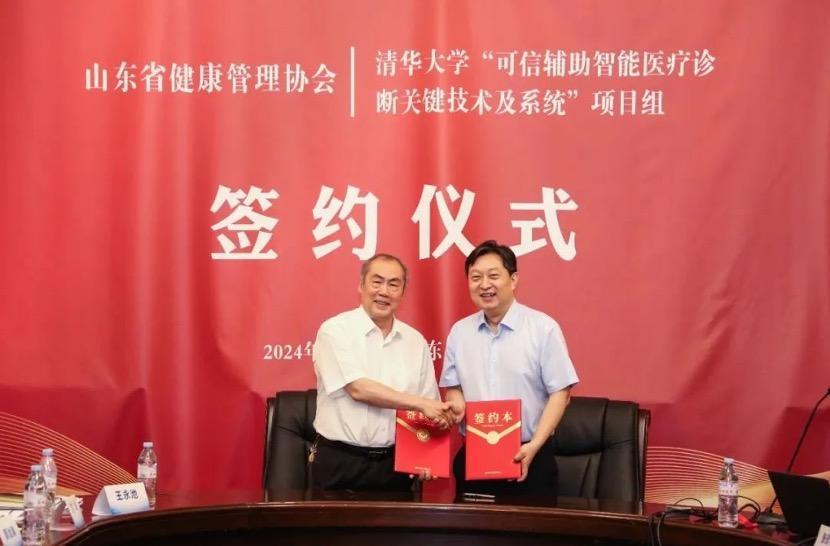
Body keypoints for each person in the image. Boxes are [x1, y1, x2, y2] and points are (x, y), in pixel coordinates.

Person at [440, 240, 579, 497]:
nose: (484, 285)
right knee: (472, 524)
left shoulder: (542, 328)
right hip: (476, 456)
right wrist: (456, 401)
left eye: (493, 276)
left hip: (529, 455)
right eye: (476, 277)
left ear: (513, 280)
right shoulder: (459, 332)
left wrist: (535, 445)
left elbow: (561, 393)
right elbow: (453, 387)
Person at [312, 253, 453, 491]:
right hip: (340, 462)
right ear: (361, 285)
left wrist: (426, 456)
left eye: (394, 284)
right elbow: (358, 389)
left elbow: (428, 408)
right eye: (377, 282)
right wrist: (421, 404)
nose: (384, 291)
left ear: (403, 292)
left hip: (395, 466)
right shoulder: (335, 330)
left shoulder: (415, 341)